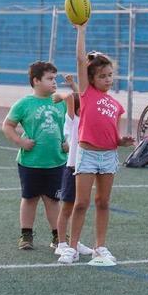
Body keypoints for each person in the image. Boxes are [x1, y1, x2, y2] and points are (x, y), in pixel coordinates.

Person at [61, 22, 134, 265]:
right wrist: (81, 31)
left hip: (109, 156)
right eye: (102, 76)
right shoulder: (86, 94)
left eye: (110, 75)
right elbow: (81, 60)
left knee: (103, 202)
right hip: (88, 154)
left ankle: (100, 247)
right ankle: (72, 248)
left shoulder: (116, 105)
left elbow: (113, 134)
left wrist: (121, 141)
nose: (108, 79)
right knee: (81, 203)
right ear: (91, 79)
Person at [2, 61, 66, 251]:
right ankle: (26, 234)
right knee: (30, 198)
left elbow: (74, 124)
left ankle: (58, 235)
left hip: (56, 161)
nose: (54, 82)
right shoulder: (24, 104)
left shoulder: (60, 101)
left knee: (53, 200)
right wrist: (20, 141)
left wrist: (69, 142)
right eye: (50, 78)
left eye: (55, 78)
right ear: (36, 81)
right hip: (31, 162)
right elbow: (8, 125)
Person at [53, 74, 94, 262]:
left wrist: (73, 85)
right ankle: (62, 244)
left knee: (80, 207)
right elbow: (72, 98)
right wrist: (65, 92)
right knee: (67, 208)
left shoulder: (87, 120)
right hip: (72, 169)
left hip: (85, 170)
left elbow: (83, 98)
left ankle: (74, 243)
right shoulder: (72, 120)